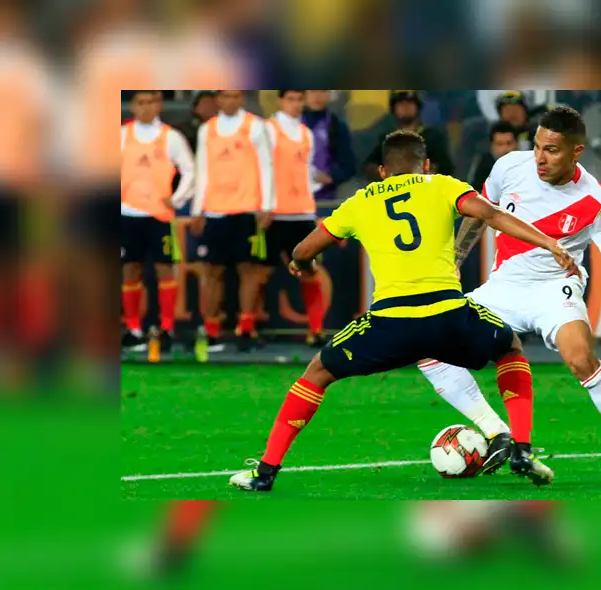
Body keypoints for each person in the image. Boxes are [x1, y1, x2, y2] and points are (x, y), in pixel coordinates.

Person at [229, 130, 580, 492]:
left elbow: (304, 251)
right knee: (509, 349)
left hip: (391, 323)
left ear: (382, 171)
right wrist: (549, 243)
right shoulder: (442, 185)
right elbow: (490, 215)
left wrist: (304, 268)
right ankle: (521, 448)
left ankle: (265, 472)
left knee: (317, 373)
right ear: (426, 165)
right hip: (448, 316)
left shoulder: (361, 201)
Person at [418, 106, 601, 482]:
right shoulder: (509, 167)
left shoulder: (597, 205)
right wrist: (453, 258)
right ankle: (496, 432)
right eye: (536, 146)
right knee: (427, 345)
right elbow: (480, 214)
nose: (539, 157)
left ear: (576, 152)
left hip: (555, 289)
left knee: (581, 357)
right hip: (502, 287)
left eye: (551, 150)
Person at [190, 90, 274, 352]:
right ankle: (213, 331)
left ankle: (245, 329)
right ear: (218, 99)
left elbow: (266, 166)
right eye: (225, 96)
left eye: (235, 96)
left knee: (247, 271)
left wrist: (266, 205)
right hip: (215, 210)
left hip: (246, 208)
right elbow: (201, 169)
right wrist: (197, 208)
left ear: (241, 99)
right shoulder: (208, 130)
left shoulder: (255, 126)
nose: (230, 101)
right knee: (213, 272)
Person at [121, 91, 196, 351]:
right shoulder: (121, 135)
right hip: (126, 213)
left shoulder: (170, 137)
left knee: (165, 270)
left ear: (159, 105)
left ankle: (166, 328)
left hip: (159, 215)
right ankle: (133, 329)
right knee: (130, 270)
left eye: (151, 102)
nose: (146, 107)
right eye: (141, 102)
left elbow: (190, 170)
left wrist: (176, 199)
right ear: (133, 106)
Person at [261, 90, 330, 346]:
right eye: (290, 99)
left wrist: (311, 203)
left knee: (310, 268)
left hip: (301, 212)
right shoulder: (267, 129)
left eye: (299, 99)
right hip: (274, 212)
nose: (295, 104)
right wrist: (265, 204)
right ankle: (249, 326)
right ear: (280, 101)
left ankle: (316, 329)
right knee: (260, 272)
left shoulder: (306, 134)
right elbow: (261, 167)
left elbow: (307, 171)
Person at [363, 91, 455, 180]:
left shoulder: (432, 136)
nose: (405, 107)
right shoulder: (387, 138)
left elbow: (445, 167)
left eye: (410, 102)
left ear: (417, 106)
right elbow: (369, 166)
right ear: (393, 108)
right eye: (400, 103)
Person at [301, 90, 356, 203]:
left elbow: (349, 166)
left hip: (326, 195)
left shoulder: (337, 126)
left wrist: (331, 176)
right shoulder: (289, 123)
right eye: (313, 91)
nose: (318, 96)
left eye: (323, 91)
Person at [467, 121, 518, 192]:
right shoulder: (483, 164)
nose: (505, 148)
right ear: (492, 146)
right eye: (499, 144)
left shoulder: (527, 162)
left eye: (509, 143)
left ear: (516, 144)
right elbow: (476, 190)